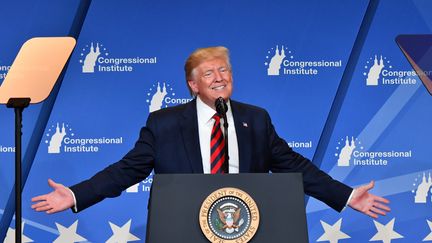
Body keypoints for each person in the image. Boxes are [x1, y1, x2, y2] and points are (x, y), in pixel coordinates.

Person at [32, 46, 390, 218]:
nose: (219, 77)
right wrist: (77, 195)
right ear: (192, 84)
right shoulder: (165, 123)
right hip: (184, 228)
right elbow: (127, 170)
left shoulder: (256, 119)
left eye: (224, 71)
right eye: (209, 73)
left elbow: (294, 165)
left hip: (245, 227)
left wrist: (345, 196)